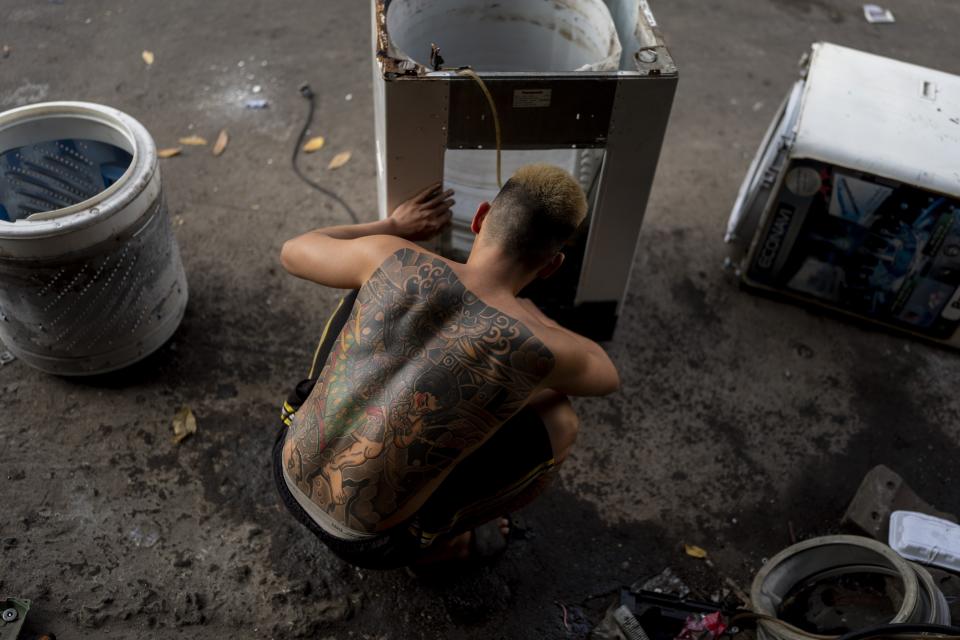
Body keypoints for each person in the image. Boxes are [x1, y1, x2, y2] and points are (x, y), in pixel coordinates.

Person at [274, 164, 620, 570]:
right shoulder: (545, 347)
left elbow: (293, 249)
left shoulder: (392, 256)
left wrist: (392, 225)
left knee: (366, 286)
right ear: (551, 266)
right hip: (370, 543)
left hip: (284, 466)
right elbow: (606, 374)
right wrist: (532, 320)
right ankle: (445, 542)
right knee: (559, 418)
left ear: (480, 218)